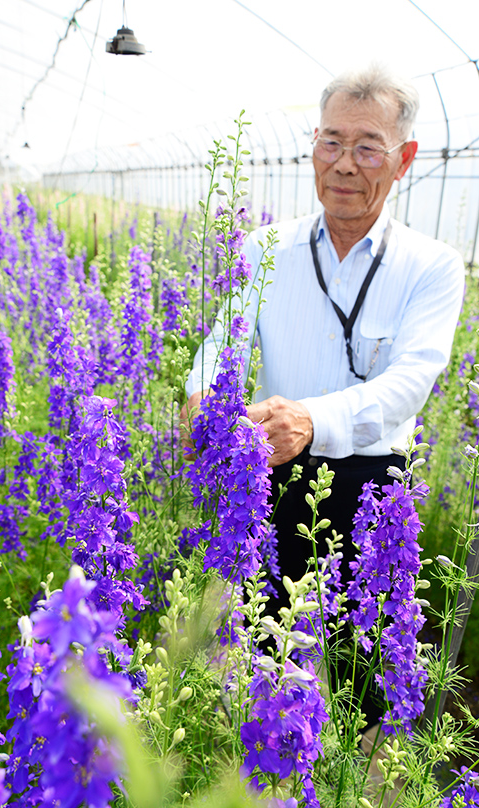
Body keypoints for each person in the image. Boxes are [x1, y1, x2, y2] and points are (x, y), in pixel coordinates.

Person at [181, 64, 465, 603]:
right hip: (268, 478)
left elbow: (411, 381)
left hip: (372, 493)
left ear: (403, 159)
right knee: (261, 650)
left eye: (367, 148)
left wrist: (314, 419)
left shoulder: (433, 266)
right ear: (314, 145)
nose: (344, 164)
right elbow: (225, 340)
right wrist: (199, 395)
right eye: (331, 141)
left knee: (356, 665)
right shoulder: (265, 249)